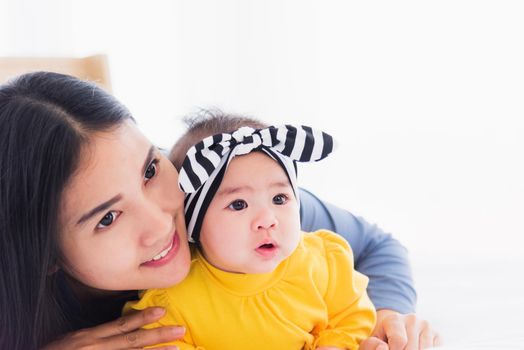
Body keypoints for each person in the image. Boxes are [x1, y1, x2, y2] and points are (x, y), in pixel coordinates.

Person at [0, 72, 439, 350]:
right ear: (45, 255)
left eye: (150, 169)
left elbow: (377, 245)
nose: (162, 221)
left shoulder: (231, 202)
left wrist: (384, 316)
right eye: (108, 218)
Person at [126, 122, 376, 349]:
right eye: (238, 204)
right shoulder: (171, 300)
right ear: (194, 224)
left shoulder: (322, 263)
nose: (268, 219)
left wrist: (334, 345)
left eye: (280, 198)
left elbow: (352, 315)